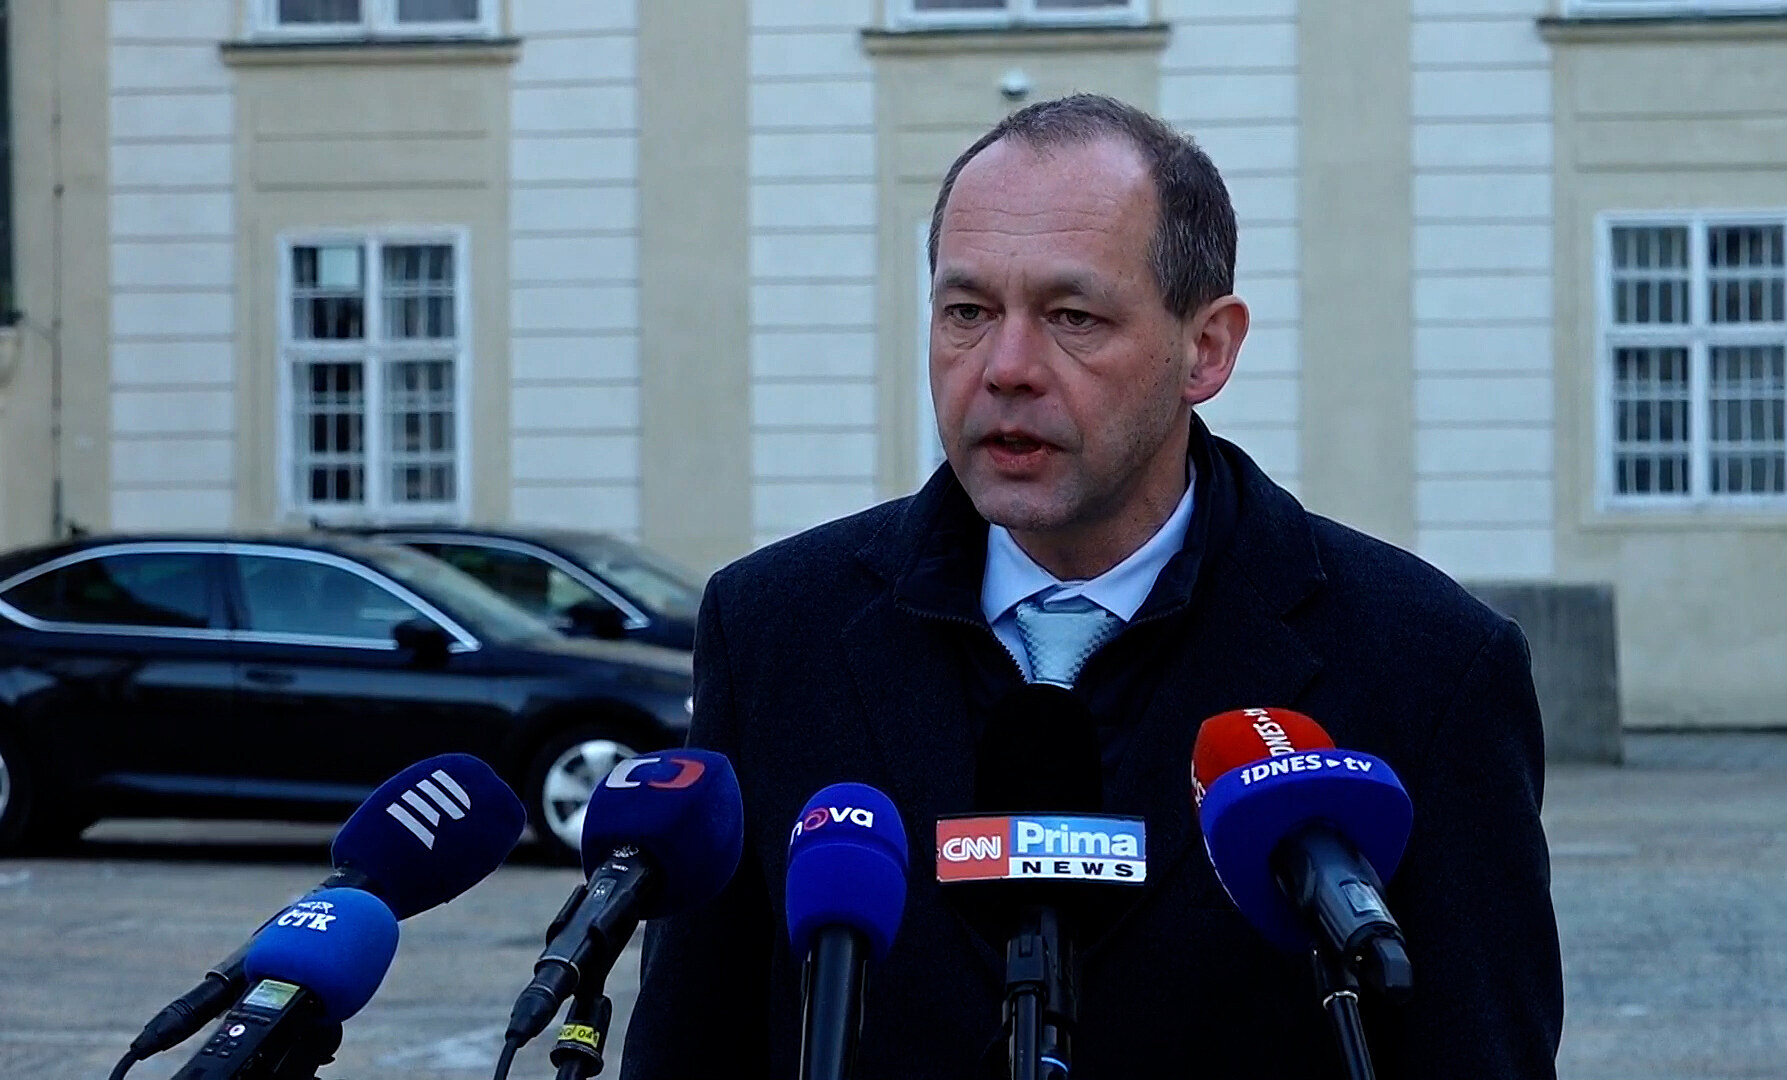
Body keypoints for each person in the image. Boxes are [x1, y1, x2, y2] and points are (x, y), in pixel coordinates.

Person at [623, 93, 1562, 1078]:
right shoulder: (772, 631)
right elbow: (691, 1044)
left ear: (1208, 348)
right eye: (967, 312)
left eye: (1072, 317)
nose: (1007, 368)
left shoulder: (1430, 668)